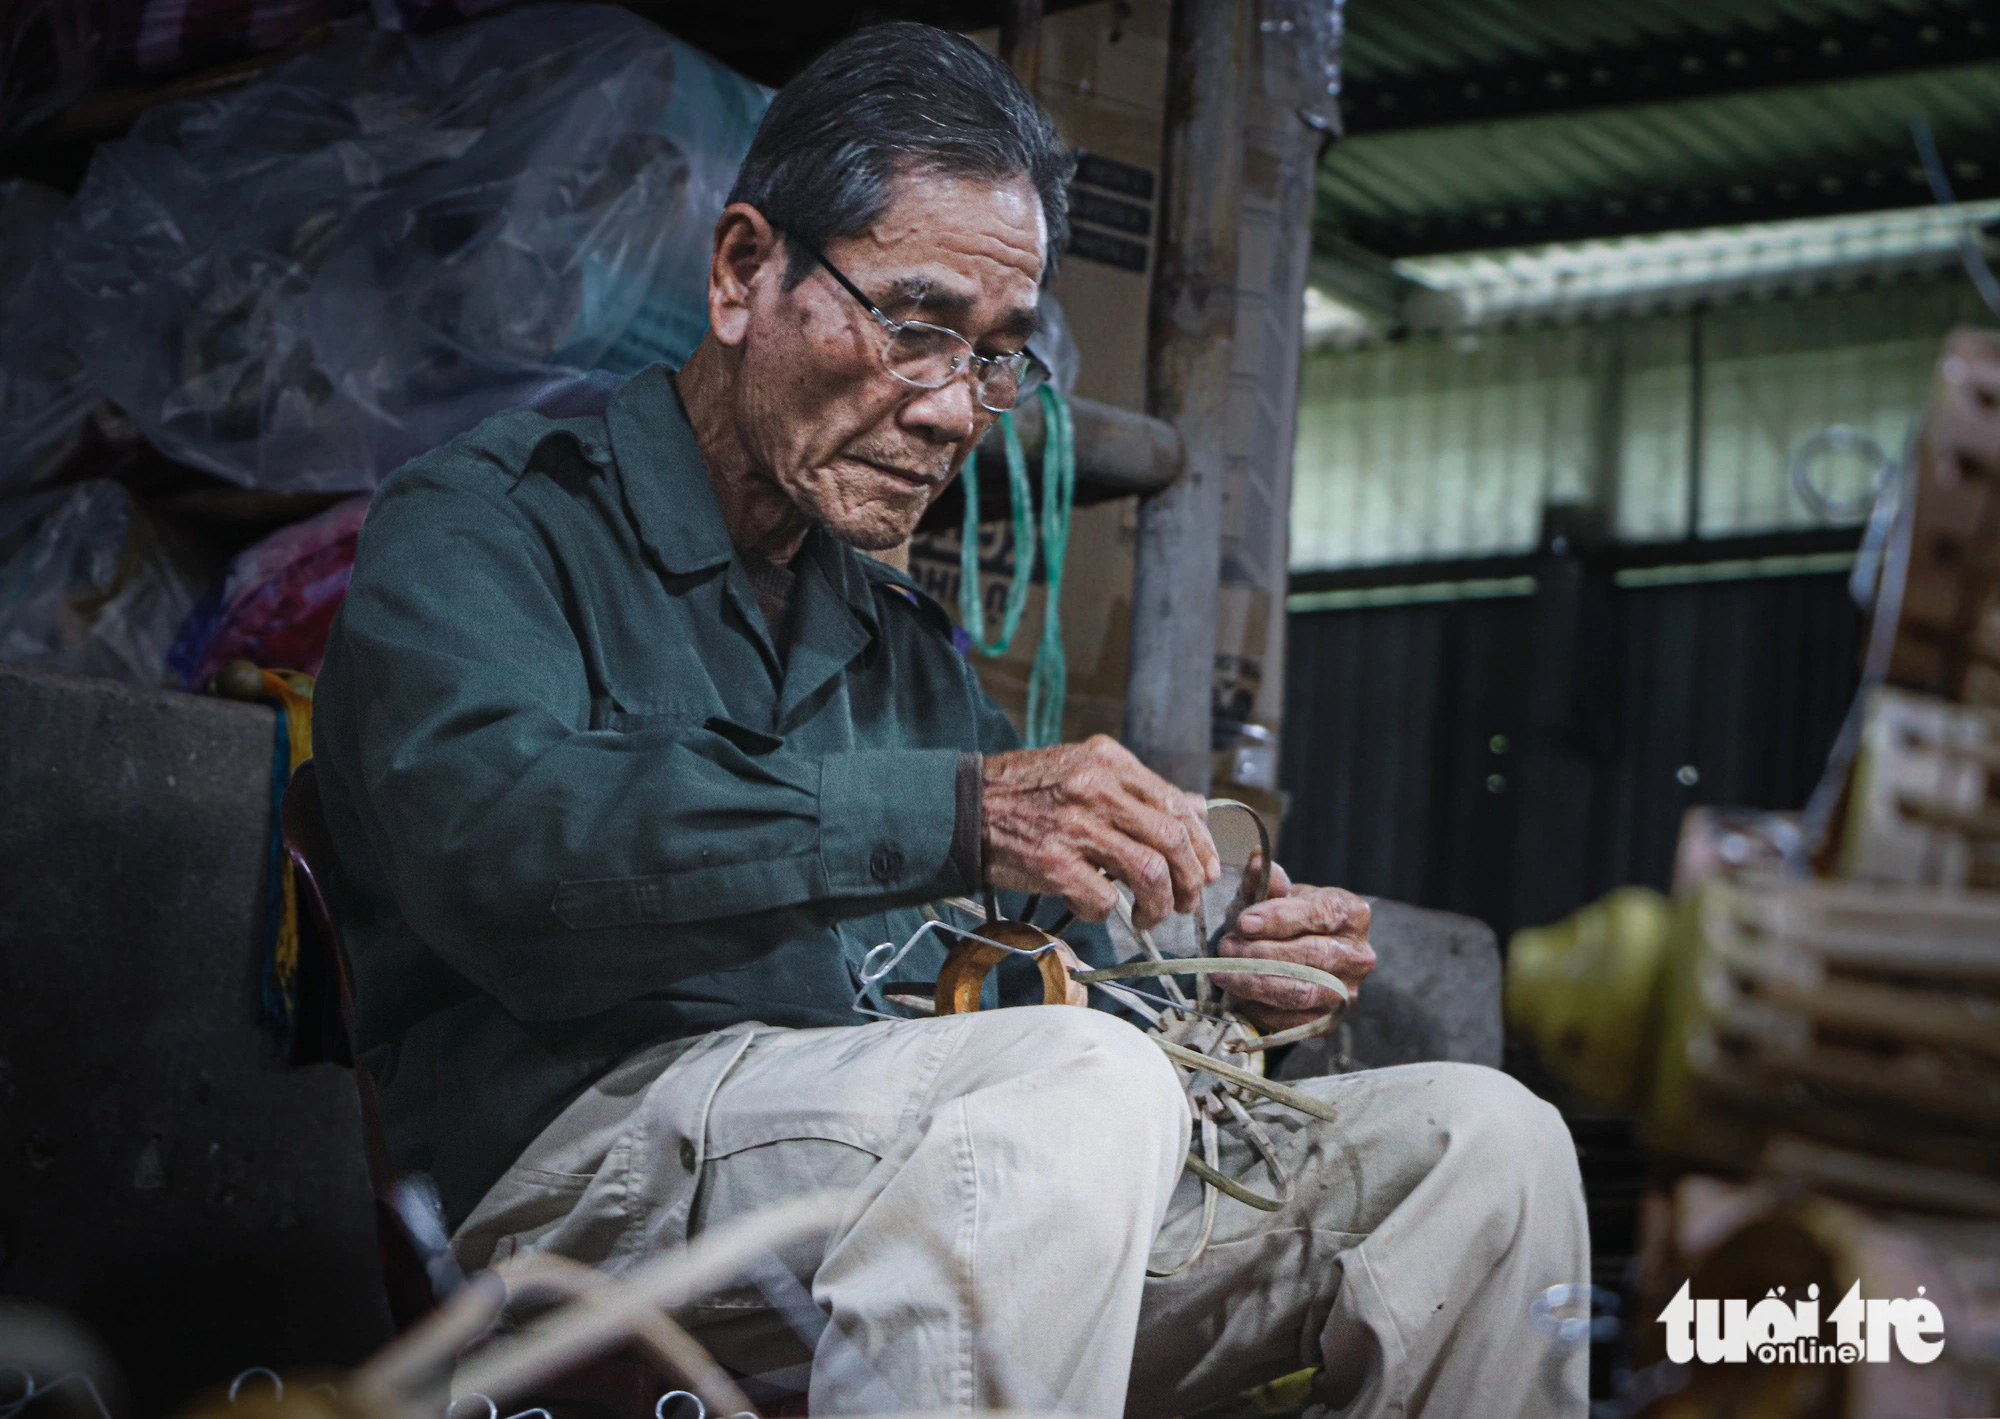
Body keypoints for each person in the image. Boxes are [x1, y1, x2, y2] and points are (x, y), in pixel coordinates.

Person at [311, 21, 1588, 1418]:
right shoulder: (492, 524)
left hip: (937, 1161)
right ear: (745, 273)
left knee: (1486, 1146)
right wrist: (962, 815)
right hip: (577, 1162)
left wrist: (1213, 987)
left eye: (996, 356)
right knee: (1063, 1091)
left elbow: (1053, 988)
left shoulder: (896, 644)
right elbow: (494, 849)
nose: (949, 409)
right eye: (913, 326)